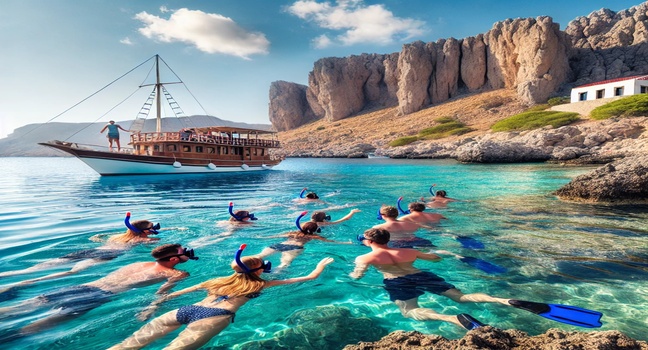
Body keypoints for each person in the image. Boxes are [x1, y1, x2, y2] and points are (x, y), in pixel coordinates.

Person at [350, 228, 602, 330]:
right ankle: (504, 300)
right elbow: (435, 260)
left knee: (410, 312)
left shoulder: (365, 258)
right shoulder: (409, 251)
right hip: (422, 274)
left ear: (370, 242)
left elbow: (357, 276)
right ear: (388, 239)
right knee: (462, 297)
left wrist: (355, 274)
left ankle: (452, 319)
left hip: (397, 283)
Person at [108, 245, 334, 350]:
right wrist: (319, 267)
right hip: (216, 316)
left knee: (128, 344)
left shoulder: (215, 281)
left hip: (185, 309)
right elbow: (307, 278)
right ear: (259, 270)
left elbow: (173, 293)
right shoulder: (262, 283)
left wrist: (152, 307)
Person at [0, 244, 196, 335]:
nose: (187, 254)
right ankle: (10, 338)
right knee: (44, 323)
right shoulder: (176, 274)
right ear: (173, 260)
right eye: (183, 253)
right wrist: (151, 308)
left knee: (21, 307)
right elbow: (162, 294)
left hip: (81, 286)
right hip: (99, 295)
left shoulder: (138, 263)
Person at [0, 213, 162, 289]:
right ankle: (27, 283)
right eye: (150, 228)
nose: (153, 229)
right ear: (145, 231)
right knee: (71, 272)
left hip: (92, 250)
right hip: (107, 256)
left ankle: (10, 276)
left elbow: (97, 237)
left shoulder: (118, 236)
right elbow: (157, 242)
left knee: (33, 268)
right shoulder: (143, 239)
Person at [255, 212, 346, 269]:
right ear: (315, 230)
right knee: (283, 265)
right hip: (295, 248)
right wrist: (345, 243)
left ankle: (243, 264)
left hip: (279, 244)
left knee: (259, 256)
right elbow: (329, 241)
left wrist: (261, 237)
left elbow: (275, 236)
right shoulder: (314, 236)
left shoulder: (292, 233)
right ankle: (274, 275)